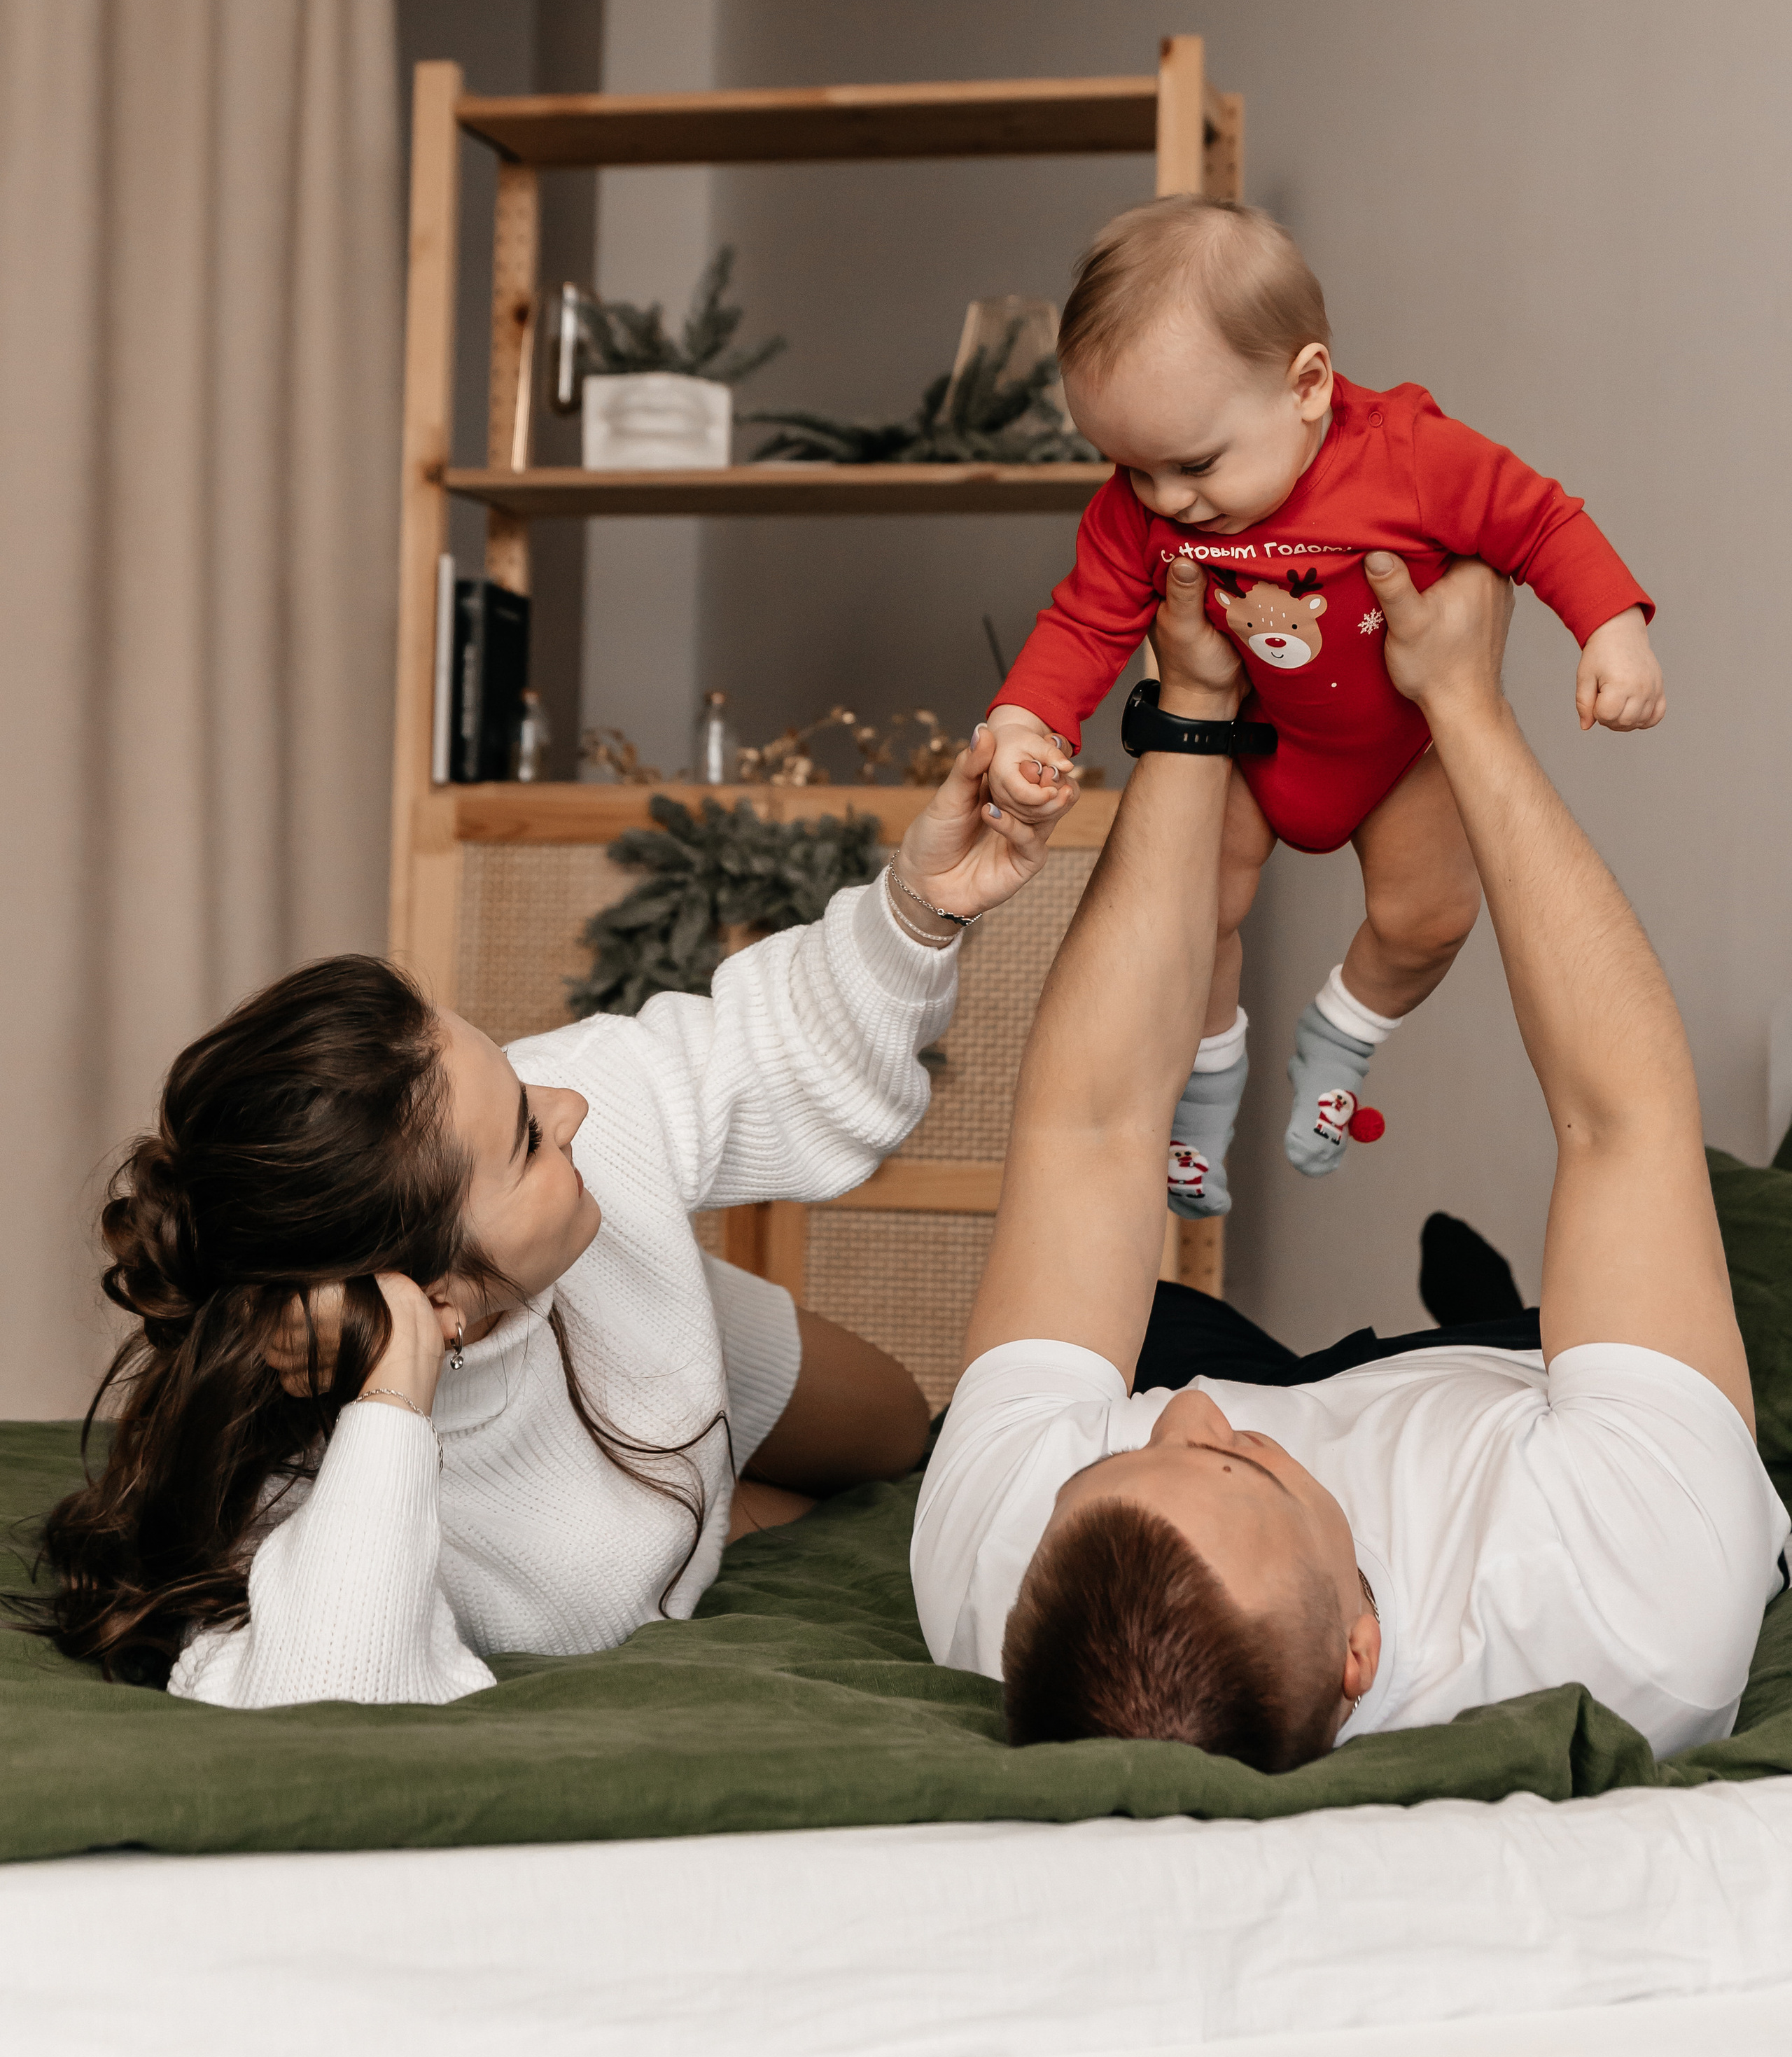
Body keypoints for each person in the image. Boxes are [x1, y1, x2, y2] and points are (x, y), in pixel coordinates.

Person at [912, 552, 1787, 1768]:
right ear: (1357, 1656)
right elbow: (1618, 1118)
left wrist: (1193, 704)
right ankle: (1492, 1323)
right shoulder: (1623, 1604)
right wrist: (1465, 703)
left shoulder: (1002, 1573)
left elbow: (1094, 1125)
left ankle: (1440, 1338)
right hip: (1508, 1412)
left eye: (1134, 1461)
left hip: (1316, 1411)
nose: (1199, 1422)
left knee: (1155, 1336)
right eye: (1234, 1468)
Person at [27, 727, 1074, 1705]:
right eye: (528, 1138)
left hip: (649, 1317)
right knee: (816, 1527)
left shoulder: (559, 1101)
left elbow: (772, 1047)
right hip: (557, 1418)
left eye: (521, 1087)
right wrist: (393, 1396)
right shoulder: (298, 1499)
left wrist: (922, 904)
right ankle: (706, 1505)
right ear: (430, 1290)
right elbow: (334, 1693)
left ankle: (697, 1437)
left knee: (897, 1426)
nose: (567, 1105)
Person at [983, 196, 1663, 1220]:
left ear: (1306, 385)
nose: (1163, 500)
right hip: (1260, 744)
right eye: (1131, 468)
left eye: (1196, 465)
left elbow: (1540, 523)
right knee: (1193, 915)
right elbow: (1084, 623)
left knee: (1429, 920)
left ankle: (1342, 1038)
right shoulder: (1141, 508)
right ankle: (1206, 1095)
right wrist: (1029, 720)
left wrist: (1612, 626)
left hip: (1401, 754)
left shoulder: (1408, 456)